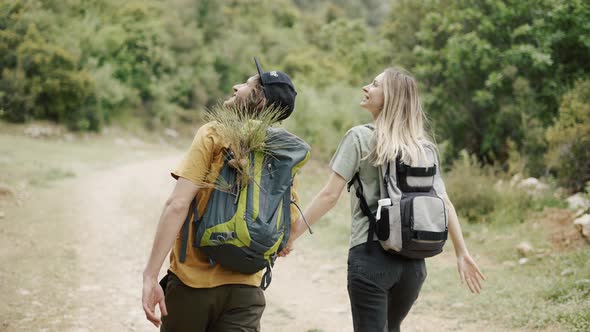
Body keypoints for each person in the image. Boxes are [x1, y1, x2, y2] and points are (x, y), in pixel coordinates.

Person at [280, 68, 486, 332]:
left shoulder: (360, 137)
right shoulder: (422, 147)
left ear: (390, 97)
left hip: (370, 259)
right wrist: (462, 253)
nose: (366, 87)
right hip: (413, 266)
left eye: (375, 84)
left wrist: (291, 235)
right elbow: (445, 202)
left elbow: (329, 195)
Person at [142, 58, 302, 332]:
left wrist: (150, 275)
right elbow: (286, 234)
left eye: (246, 84)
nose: (235, 86)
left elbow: (178, 204)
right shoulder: (284, 153)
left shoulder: (213, 134)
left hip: (192, 285)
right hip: (246, 292)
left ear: (259, 100)